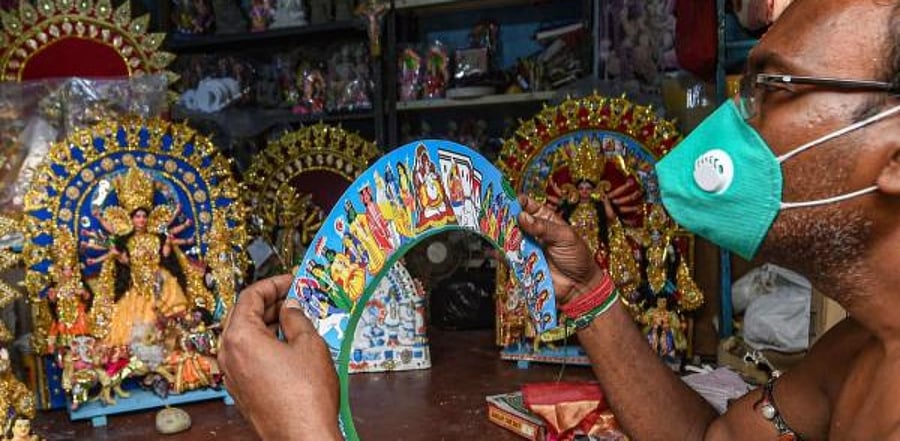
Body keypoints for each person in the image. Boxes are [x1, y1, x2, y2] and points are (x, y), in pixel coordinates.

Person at [218, 1, 900, 439]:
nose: (729, 125)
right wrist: (587, 294)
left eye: (773, 88)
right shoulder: (864, 350)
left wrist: (302, 433)